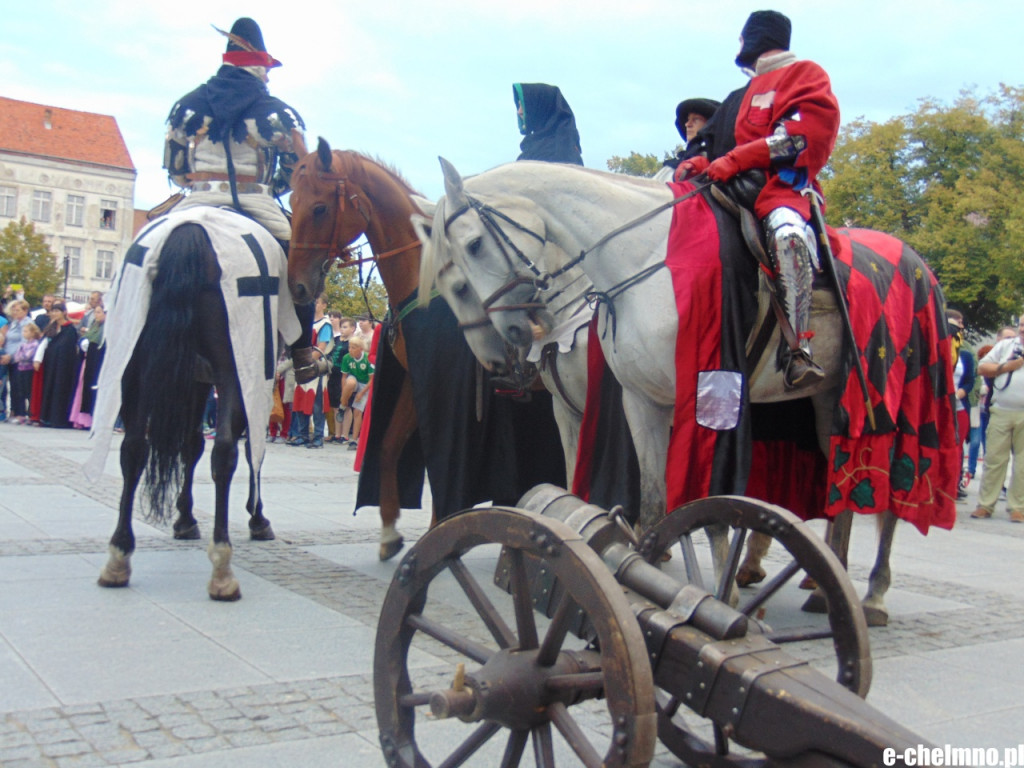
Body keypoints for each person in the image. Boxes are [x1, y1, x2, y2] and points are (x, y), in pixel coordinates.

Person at [163, 18, 324, 384]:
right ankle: (301, 353)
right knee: (301, 263)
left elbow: (175, 168)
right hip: (257, 204)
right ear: (259, 66)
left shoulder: (186, 106)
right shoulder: (278, 113)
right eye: (268, 71)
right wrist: (271, 186)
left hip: (196, 201)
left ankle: (129, 331)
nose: (269, 78)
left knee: (146, 250)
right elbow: (297, 172)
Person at [699, 10, 840, 389]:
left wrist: (737, 159)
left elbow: (800, 137)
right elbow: (720, 145)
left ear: (758, 37)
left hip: (782, 189)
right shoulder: (744, 91)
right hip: (733, 188)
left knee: (786, 236)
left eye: (743, 39)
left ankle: (798, 350)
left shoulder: (805, 74)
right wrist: (700, 162)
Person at [972, 318, 1024, 522]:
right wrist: (1008, 366)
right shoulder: (1005, 346)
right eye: (1021, 326)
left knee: (1022, 465)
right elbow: (983, 368)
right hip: (1001, 410)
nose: (1022, 330)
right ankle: (985, 504)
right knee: (994, 460)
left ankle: (1018, 507)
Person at [512, 83, 583, 165]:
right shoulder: (536, 146)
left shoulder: (558, 151)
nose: (519, 111)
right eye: (519, 106)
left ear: (541, 108)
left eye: (524, 106)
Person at [38, 301, 80, 429]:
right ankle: (47, 417)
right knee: (49, 387)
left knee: (60, 389)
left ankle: (59, 418)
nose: (54, 313)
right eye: (53, 311)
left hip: (64, 366)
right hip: (51, 364)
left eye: (57, 311)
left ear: (64, 313)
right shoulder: (51, 328)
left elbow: (68, 348)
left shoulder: (70, 329)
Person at [947, 310, 975, 500]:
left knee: (957, 446)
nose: (960, 328)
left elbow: (969, 380)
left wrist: (960, 393)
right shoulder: (935, 348)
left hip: (959, 406)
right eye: (955, 325)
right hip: (939, 405)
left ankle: (953, 485)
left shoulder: (965, 354)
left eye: (961, 324)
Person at [662, 98, 721, 174]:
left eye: (696, 119)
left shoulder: (723, 168)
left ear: (710, 125)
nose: (687, 124)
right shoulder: (670, 170)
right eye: (688, 119)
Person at [339, 335, 374, 450]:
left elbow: (371, 379)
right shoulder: (347, 358)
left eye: (353, 347)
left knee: (358, 411)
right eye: (349, 347)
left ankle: (354, 440)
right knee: (350, 383)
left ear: (361, 349)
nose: (350, 350)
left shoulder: (368, 359)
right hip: (353, 380)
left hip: (365, 384)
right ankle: (342, 406)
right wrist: (344, 393)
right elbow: (344, 377)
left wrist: (361, 393)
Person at [11, 322, 41, 424]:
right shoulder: (23, 344)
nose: (24, 333)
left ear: (33, 333)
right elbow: (16, 357)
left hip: (29, 370)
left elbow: (29, 356)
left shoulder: (35, 344)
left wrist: (21, 356)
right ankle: (21, 414)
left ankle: (31, 414)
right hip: (20, 369)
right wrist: (20, 357)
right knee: (20, 392)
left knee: (29, 392)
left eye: (26, 331)